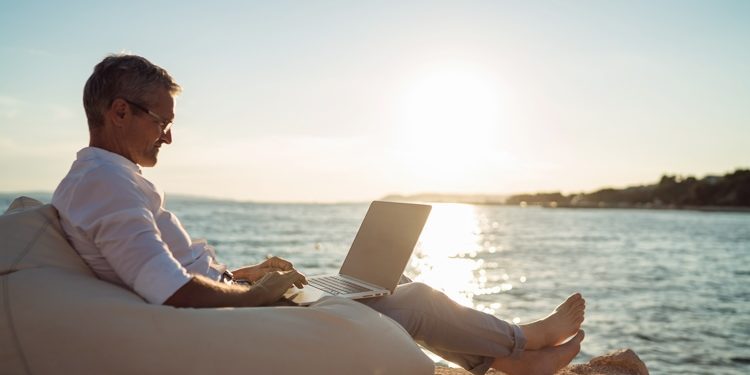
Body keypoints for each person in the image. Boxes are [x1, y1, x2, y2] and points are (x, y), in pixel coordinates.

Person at [52, 54, 586, 375]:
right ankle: (523, 344)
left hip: (239, 308)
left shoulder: (108, 179)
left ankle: (507, 358)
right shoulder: (104, 184)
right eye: (161, 121)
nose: (168, 134)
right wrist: (258, 295)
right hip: (237, 328)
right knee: (415, 300)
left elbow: (168, 274)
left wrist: (247, 276)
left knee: (382, 282)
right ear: (119, 111)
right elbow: (170, 292)